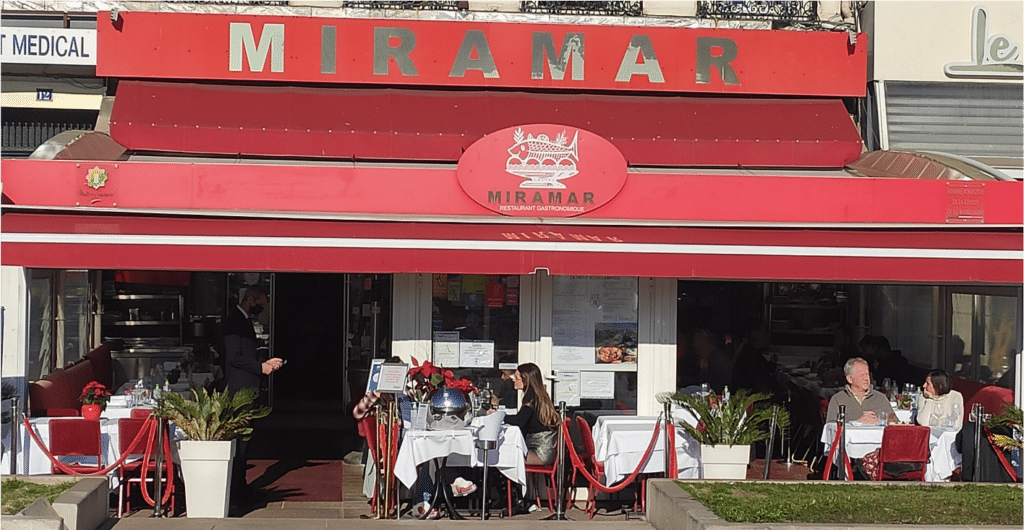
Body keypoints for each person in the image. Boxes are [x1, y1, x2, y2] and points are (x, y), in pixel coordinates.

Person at [222, 283, 284, 504]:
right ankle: (237, 491)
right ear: (251, 300)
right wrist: (261, 367)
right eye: (261, 304)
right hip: (239, 388)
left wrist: (265, 363)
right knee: (240, 439)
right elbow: (234, 356)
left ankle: (242, 486)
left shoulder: (244, 321)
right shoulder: (233, 322)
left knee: (246, 439)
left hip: (248, 386)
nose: (262, 309)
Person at [826, 357, 894, 425]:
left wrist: (879, 422)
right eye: (862, 375)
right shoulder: (838, 399)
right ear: (850, 379)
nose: (866, 378)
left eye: (867, 374)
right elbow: (830, 428)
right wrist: (856, 422)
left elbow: (895, 423)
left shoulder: (880, 398)